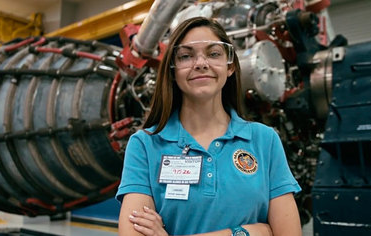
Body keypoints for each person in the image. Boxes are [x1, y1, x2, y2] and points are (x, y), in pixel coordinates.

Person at [116, 16, 302, 236]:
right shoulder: (145, 144)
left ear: (230, 66)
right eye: (186, 56)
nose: (201, 63)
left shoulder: (264, 140)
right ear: (173, 70)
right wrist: (248, 233)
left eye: (214, 54)